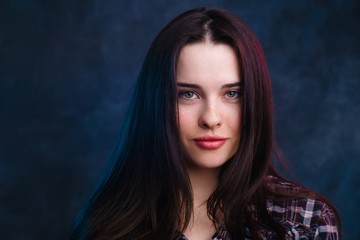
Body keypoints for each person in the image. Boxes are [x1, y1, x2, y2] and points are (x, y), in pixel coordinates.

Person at [70, 7, 341, 240]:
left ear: (255, 102)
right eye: (188, 94)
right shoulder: (105, 227)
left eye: (232, 94)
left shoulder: (305, 223)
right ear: (156, 103)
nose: (211, 118)